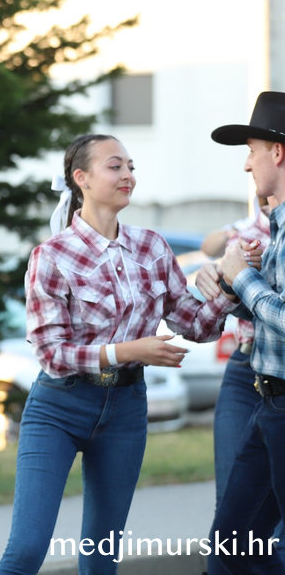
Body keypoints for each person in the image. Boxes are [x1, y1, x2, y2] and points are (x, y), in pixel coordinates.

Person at [0, 133, 236, 574]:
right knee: (27, 550)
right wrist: (129, 350)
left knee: (102, 556)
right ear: (81, 178)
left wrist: (228, 287)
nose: (128, 175)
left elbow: (198, 326)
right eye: (115, 166)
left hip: (126, 409)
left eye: (131, 167)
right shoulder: (52, 256)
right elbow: (51, 354)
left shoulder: (152, 247)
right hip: (59, 407)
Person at [203, 91, 285, 574]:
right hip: (269, 402)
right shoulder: (277, 227)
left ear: (277, 152)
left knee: (236, 549)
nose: (247, 165)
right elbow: (265, 307)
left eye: (252, 152)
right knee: (233, 547)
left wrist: (242, 278)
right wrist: (229, 284)